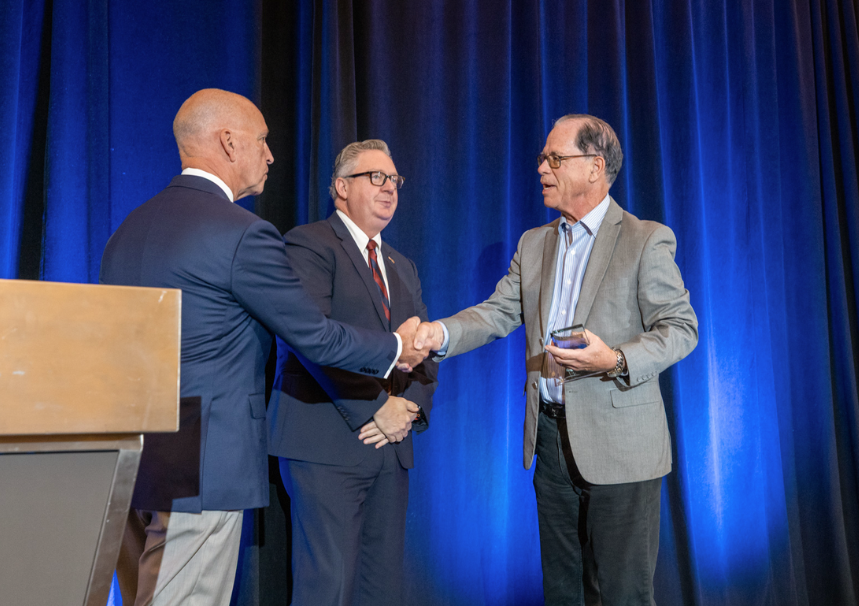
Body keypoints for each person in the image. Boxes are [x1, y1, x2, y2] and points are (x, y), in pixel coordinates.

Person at [100, 89, 427, 606]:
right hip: (204, 457)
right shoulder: (242, 233)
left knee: (149, 593)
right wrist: (395, 346)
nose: (271, 155)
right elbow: (314, 335)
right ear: (229, 143)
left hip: (132, 453)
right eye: (262, 140)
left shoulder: (128, 227)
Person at [413, 114, 698, 605]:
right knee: (563, 592)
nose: (542, 168)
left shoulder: (645, 238)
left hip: (622, 447)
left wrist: (616, 359)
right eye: (542, 158)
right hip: (550, 439)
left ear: (595, 167)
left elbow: (681, 328)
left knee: (625, 594)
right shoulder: (534, 243)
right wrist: (436, 333)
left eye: (555, 158)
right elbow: (497, 312)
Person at [266, 139, 437, 606]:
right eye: (376, 177)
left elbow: (424, 349)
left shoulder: (402, 264)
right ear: (341, 187)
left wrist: (409, 409)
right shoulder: (309, 244)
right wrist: (376, 407)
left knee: (381, 590)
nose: (390, 188)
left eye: (395, 179)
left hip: (391, 447)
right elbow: (310, 340)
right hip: (326, 443)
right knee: (329, 588)